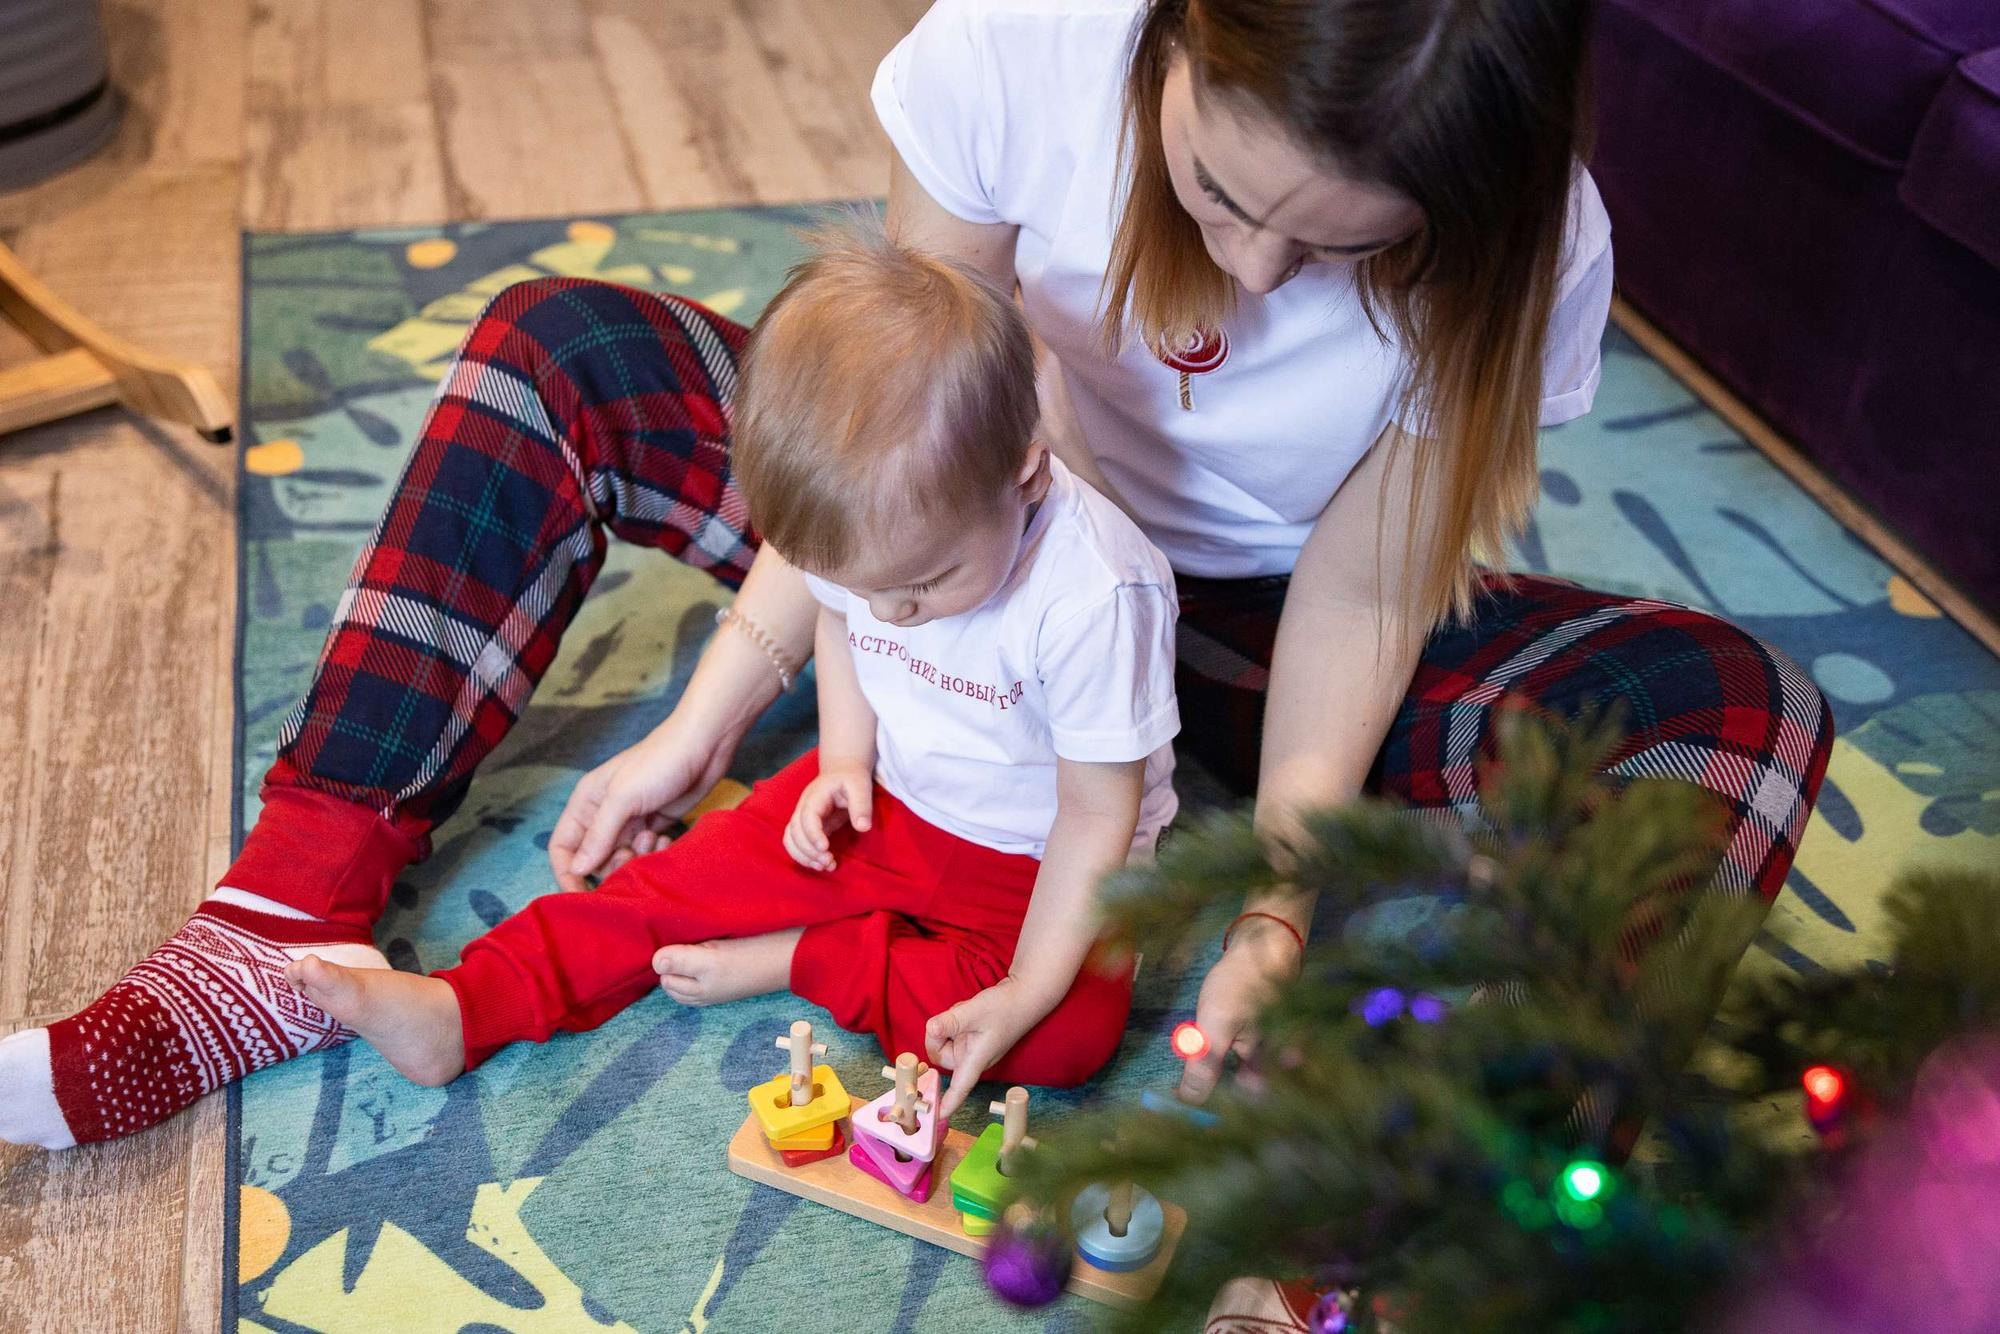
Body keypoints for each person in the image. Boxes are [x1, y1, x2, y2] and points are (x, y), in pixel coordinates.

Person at [0, 0, 1832, 1151]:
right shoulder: (1022, 46)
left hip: (1267, 636)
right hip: (964, 551)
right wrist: (723, 702)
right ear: (1177, 37)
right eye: (1216, 194)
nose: (1256, 280)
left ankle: (1458, 1196)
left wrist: (1281, 895)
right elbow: (890, 418)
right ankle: (265, 931)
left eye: (1342, 250)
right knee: (558, 344)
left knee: (1746, 716)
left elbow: (1368, 584)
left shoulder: (1535, 245)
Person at [278, 221, 1179, 1108]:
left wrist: (1024, 989)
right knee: (669, 889)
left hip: (1040, 856)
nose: (895, 613)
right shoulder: (873, 557)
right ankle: (463, 1008)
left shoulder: (1098, 594)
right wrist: (844, 762)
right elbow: (840, 628)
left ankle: (802, 953)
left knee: (1064, 1034)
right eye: (865, 588)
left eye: (926, 583)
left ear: (1025, 477)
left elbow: (1096, 819)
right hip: (892, 800)